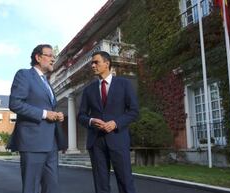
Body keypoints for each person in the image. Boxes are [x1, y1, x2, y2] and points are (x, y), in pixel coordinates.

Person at [8, 44, 67, 193]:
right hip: (32, 142)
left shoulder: (46, 82)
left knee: (52, 187)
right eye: (50, 55)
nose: (53, 59)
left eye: (54, 56)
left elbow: (46, 106)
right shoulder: (24, 75)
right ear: (38, 57)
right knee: (31, 188)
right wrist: (45, 114)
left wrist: (56, 115)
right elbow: (15, 103)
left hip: (51, 144)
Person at [78, 51, 139, 193]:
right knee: (101, 185)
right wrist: (91, 120)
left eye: (96, 62)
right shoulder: (88, 90)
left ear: (107, 63)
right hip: (96, 142)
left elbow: (134, 111)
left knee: (125, 182)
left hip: (118, 139)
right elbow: (81, 115)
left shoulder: (124, 84)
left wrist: (116, 123)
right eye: (92, 63)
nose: (92, 65)